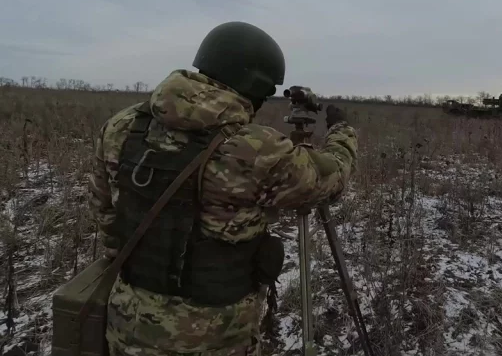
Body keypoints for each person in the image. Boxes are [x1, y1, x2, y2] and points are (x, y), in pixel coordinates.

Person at [88, 21, 357, 356]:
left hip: (127, 327)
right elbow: (329, 181)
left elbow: (104, 211)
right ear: (255, 87)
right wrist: (343, 133)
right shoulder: (255, 148)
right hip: (216, 339)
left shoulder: (122, 126)